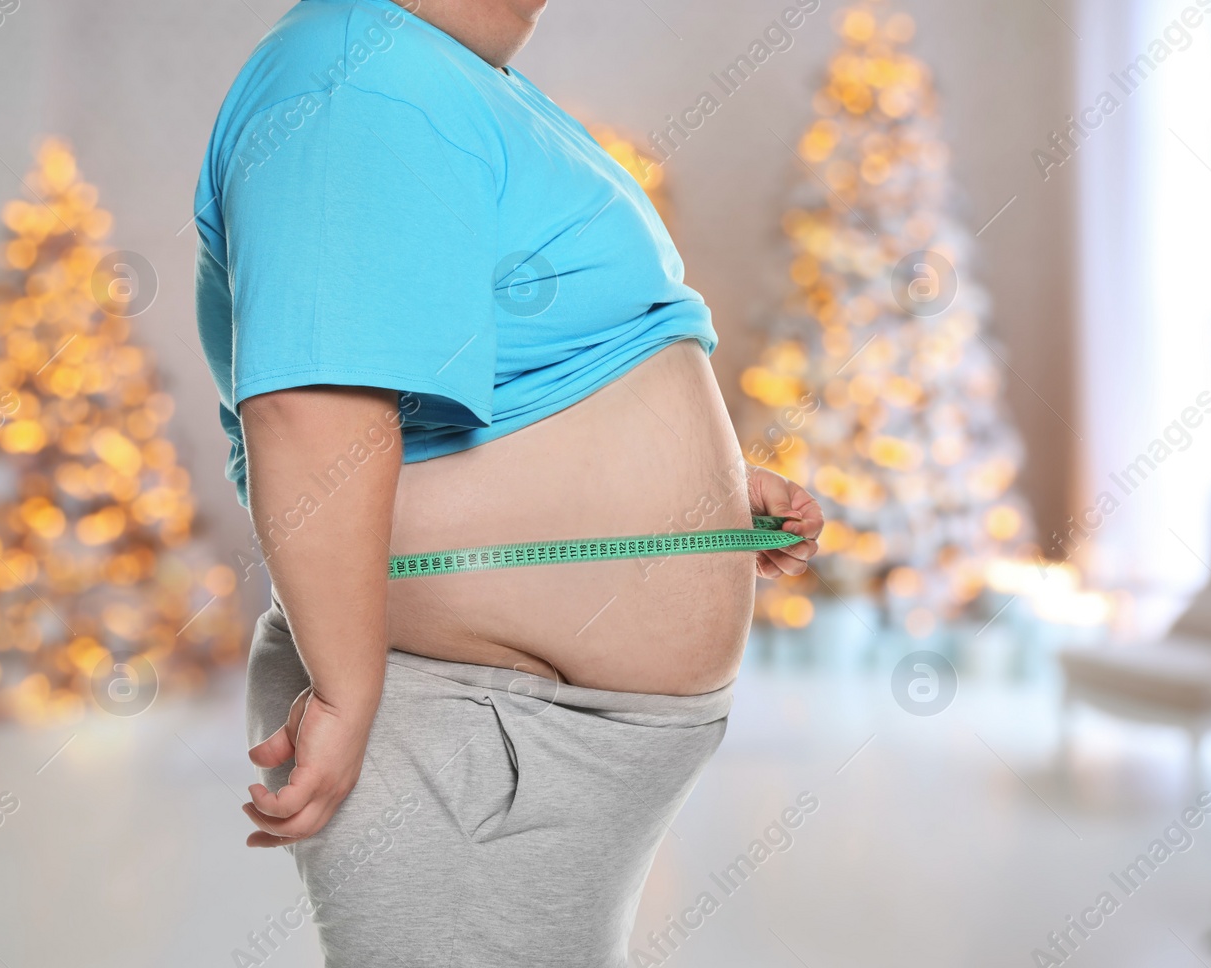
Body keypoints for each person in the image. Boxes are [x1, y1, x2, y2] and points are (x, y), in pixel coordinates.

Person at [191, 0, 825, 964]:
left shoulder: (443, 80)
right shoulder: (355, 74)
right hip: (457, 715)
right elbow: (312, 409)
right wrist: (344, 695)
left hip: (503, 727)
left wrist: (698, 493)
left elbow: (520, 368)